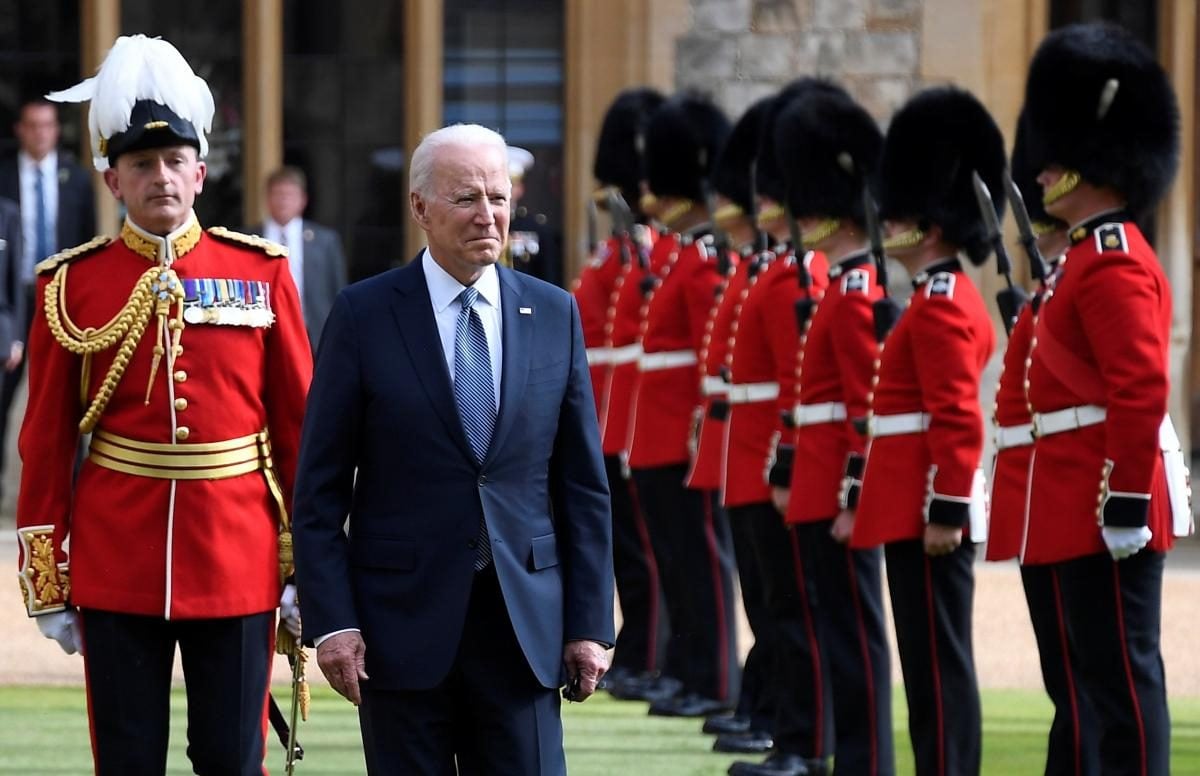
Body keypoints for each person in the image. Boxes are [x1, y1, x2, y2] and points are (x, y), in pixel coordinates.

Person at [14, 35, 312, 775]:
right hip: (118, 557)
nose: (161, 178)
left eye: (175, 162)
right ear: (113, 180)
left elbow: (301, 428)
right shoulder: (70, 285)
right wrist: (47, 579)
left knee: (231, 759)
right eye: (142, 165)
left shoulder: (262, 274)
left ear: (201, 173)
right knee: (126, 758)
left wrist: (310, 565)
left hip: (239, 555)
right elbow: (45, 440)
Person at [292, 122, 614, 775]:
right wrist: (332, 622)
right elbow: (320, 492)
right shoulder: (363, 315)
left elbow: (582, 487)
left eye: (498, 198)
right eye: (466, 198)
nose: (487, 215)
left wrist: (590, 624)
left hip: (523, 631)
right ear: (420, 208)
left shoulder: (555, 314)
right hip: (398, 632)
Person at [1022, 23, 1183, 774]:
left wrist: (1124, 498)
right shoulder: (1085, 256)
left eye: (1057, 157)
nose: (1043, 169)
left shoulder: (1112, 260)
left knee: (1121, 680)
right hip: (1075, 490)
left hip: (1102, 497)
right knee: (1089, 681)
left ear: (1092, 161)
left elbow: (1140, 386)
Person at [850, 86, 1002, 776]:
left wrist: (944, 507)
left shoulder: (942, 304)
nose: (888, 221)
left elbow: (956, 417)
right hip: (913, 504)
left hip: (929, 512)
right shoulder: (931, 301)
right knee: (928, 662)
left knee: (938, 665)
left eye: (902, 212)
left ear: (932, 226)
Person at [773, 85, 895, 776]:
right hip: (821, 484)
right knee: (837, 628)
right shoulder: (842, 288)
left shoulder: (853, 296)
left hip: (837, 490)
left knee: (854, 633)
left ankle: (866, 761)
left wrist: (855, 494)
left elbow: (865, 411)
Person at [984, 111, 1100, 776]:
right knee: (1067, 672)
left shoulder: (1091, 274)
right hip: (1041, 489)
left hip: (1072, 489)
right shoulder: (1050, 290)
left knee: (1088, 672)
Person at [627, 92, 739, 720]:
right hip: (658, 431)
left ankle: (716, 678)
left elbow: (710, 355)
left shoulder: (702, 261)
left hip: (685, 433)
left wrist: (703, 425)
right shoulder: (684, 257)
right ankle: (689, 668)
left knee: (703, 561)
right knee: (678, 559)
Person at [575, 87, 672, 701]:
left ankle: (651, 650)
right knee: (625, 544)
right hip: (610, 413)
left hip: (637, 415)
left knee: (648, 548)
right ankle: (635, 647)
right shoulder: (617, 250)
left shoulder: (652, 253)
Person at [0, 96, 95, 499]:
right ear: (20, 130)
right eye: (32, 125)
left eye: (47, 125)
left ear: (57, 131)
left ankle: (73, 491)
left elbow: (89, 241)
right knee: (4, 393)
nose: (40, 133)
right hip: (12, 297)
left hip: (61, 293)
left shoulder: (76, 178)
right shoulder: (2, 176)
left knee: (67, 394)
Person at [253, 165, 348, 351]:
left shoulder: (325, 241)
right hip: (263, 332)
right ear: (267, 198)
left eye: (289, 195)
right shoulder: (249, 239)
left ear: (303, 200)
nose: (283, 200)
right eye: (278, 194)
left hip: (314, 334)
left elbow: (338, 290)